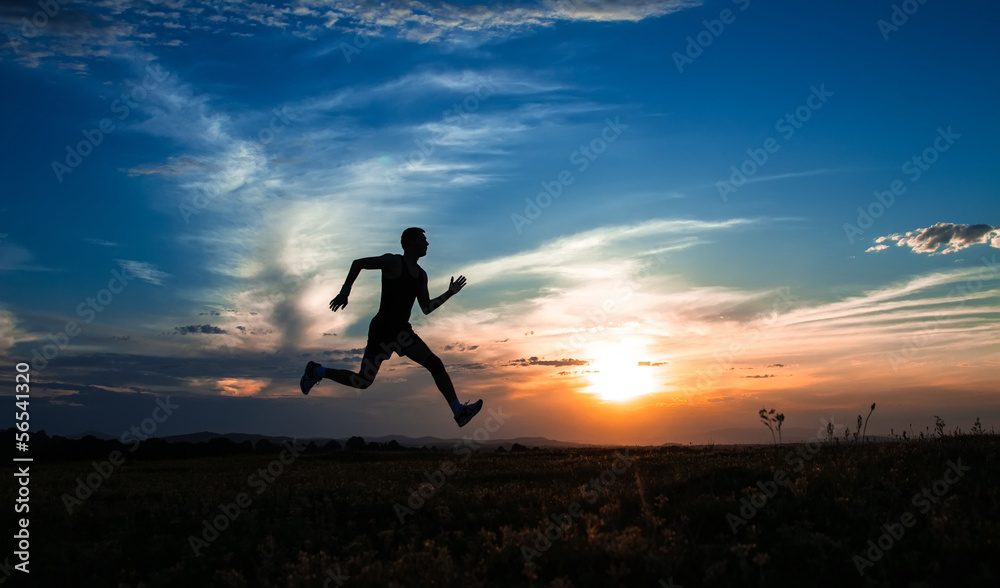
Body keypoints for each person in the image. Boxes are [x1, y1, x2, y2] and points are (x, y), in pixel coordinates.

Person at [300, 227, 483, 427]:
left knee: (435, 364)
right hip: (382, 330)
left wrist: (449, 293)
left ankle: (459, 412)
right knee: (363, 381)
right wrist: (345, 292)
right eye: (423, 239)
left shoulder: (421, 275)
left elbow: (426, 308)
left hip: (402, 332)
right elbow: (358, 264)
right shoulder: (394, 262)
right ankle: (317, 371)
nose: (427, 244)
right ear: (411, 242)